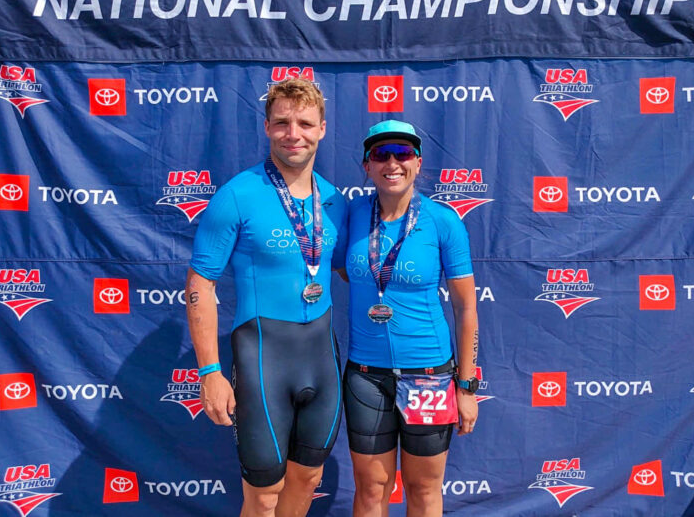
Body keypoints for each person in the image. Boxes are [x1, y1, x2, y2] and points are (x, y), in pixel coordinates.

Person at [185, 78, 347, 517]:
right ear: (267, 127)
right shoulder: (237, 195)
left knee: (307, 479)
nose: (293, 133)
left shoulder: (333, 201)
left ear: (322, 129)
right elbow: (200, 284)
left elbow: (357, 270)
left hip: (321, 356)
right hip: (263, 358)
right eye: (282, 123)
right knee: (263, 493)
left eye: (304, 123)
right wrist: (210, 372)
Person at [343, 119, 481, 517]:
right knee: (372, 489)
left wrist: (467, 386)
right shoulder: (351, 214)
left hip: (429, 375)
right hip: (366, 376)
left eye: (403, 153)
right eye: (381, 154)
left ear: (418, 163)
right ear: (367, 165)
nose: (392, 163)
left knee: (422, 488)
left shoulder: (442, 221)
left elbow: (466, 307)